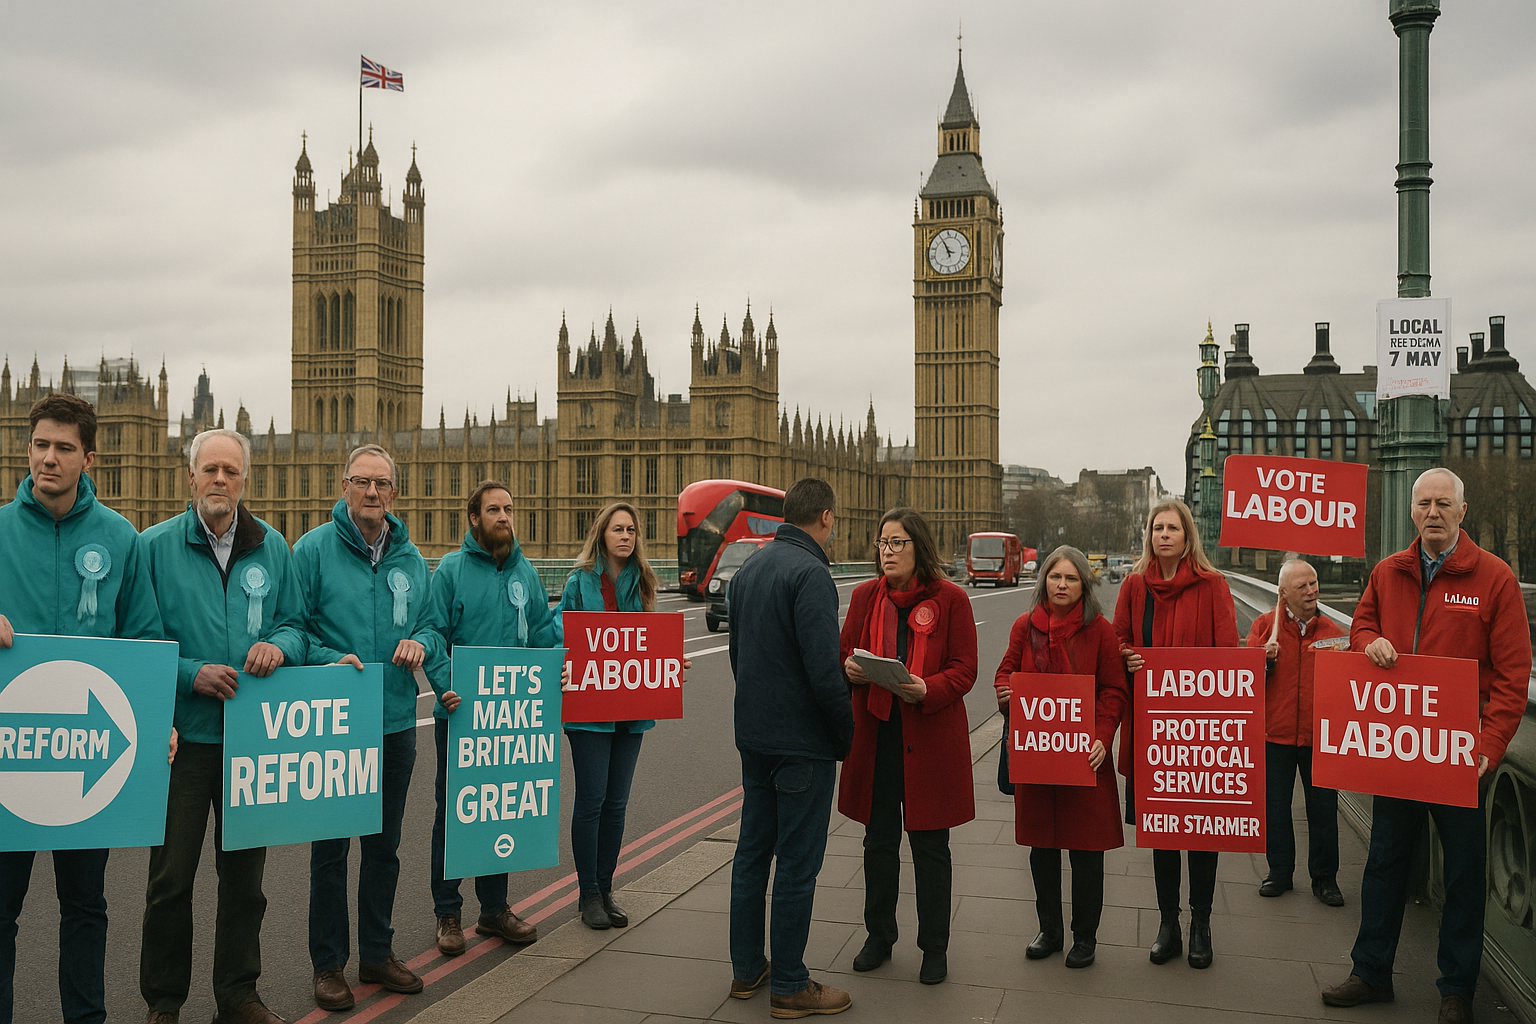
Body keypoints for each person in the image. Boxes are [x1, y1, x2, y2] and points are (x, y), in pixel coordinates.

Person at [1323, 468, 1530, 1024]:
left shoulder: (1495, 578)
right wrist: (1372, 643)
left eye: (1443, 504)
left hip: (1462, 757)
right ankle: (1370, 972)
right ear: (1412, 512)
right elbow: (1360, 627)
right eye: (1424, 504)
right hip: (1401, 751)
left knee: (1463, 873)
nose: (1432, 512)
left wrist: (1490, 745)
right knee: (1385, 862)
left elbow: (1513, 675)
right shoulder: (1389, 572)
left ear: (1463, 511)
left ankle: (1456, 989)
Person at [0, 394, 169, 1024]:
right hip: (10, 757)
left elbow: (145, 640)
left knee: (85, 907)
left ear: (88, 458)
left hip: (84, 756)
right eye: (40, 444)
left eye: (63, 448)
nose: (49, 457)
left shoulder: (120, 538)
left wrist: (157, 724)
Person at [139, 428, 308, 1024]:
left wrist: (278, 648)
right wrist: (190, 674)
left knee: (245, 885)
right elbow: (139, 639)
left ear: (244, 480)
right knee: (170, 882)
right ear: (190, 477)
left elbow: (297, 625)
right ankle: (164, 1002)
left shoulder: (274, 548)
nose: (219, 481)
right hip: (183, 743)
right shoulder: (153, 548)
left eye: (229, 472)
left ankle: (238, 994)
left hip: (252, 742)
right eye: (209, 470)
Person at [292, 444, 432, 1010]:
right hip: (334, 722)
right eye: (361, 482)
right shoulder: (312, 551)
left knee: (385, 847)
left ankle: (377, 951)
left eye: (381, 484)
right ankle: (329, 965)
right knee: (330, 850)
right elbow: (292, 628)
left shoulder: (412, 558)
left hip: (395, 721)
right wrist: (329, 660)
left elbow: (431, 625)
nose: (371, 493)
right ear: (343, 485)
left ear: (394, 493)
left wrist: (422, 641)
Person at [727, 477, 854, 1019]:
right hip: (802, 744)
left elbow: (737, 655)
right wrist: (844, 734)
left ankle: (746, 968)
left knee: (752, 855)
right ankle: (791, 984)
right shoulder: (812, 574)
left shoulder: (749, 568)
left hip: (754, 737)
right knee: (798, 865)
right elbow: (824, 671)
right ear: (824, 517)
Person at [838, 507, 976, 985]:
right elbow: (844, 654)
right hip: (878, 736)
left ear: (919, 548)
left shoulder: (951, 599)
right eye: (883, 543)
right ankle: (879, 936)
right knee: (878, 842)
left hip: (929, 737)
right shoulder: (862, 596)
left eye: (897, 543)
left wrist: (926, 689)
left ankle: (933, 948)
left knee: (930, 847)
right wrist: (851, 670)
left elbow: (964, 669)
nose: (888, 551)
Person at [417, 480, 554, 956]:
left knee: (503, 806)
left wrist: (556, 669)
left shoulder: (527, 573)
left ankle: (494, 909)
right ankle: (447, 912)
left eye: (509, 509)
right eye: (493, 509)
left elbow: (542, 634)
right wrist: (444, 683)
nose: (504, 517)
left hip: (511, 716)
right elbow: (431, 633)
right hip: (460, 714)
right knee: (454, 813)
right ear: (473, 517)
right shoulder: (451, 571)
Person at [1112, 497, 1239, 970]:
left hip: (1199, 735)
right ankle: (1168, 923)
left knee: (1200, 834)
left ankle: (1201, 923)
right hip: (1149, 730)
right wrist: (1128, 656)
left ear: (1188, 537)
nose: (1163, 534)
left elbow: (1227, 653)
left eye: (1173, 528)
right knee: (1162, 835)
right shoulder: (1133, 587)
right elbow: (1116, 640)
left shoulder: (1213, 586)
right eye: (1157, 527)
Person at [554, 501, 689, 931]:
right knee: (591, 801)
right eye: (618, 529)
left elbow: (647, 641)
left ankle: (607, 887)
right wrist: (562, 658)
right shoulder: (578, 583)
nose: (626, 536)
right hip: (590, 712)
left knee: (617, 804)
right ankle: (588, 893)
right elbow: (562, 634)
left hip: (631, 709)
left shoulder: (643, 582)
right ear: (602, 534)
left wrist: (670, 663)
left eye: (631, 530)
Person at [993, 546, 1127, 970]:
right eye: (1055, 577)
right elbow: (1003, 672)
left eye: (1071, 578)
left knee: (1087, 852)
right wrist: (1006, 695)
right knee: (1043, 849)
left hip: (1085, 758)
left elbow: (1114, 691)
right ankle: (1049, 929)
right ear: (1044, 582)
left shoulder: (1101, 632)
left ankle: (1085, 936)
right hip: (1039, 760)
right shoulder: (1023, 627)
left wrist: (1103, 737)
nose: (1062, 585)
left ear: (1084, 584)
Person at [1245, 558, 1348, 907]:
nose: (1312, 591)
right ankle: (1279, 872)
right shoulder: (1263, 628)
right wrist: (1262, 659)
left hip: (1317, 736)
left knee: (1323, 809)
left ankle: (1325, 879)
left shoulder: (1333, 634)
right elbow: (1243, 679)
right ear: (1283, 594)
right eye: (1302, 586)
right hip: (1275, 734)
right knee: (1275, 807)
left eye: (1314, 583)